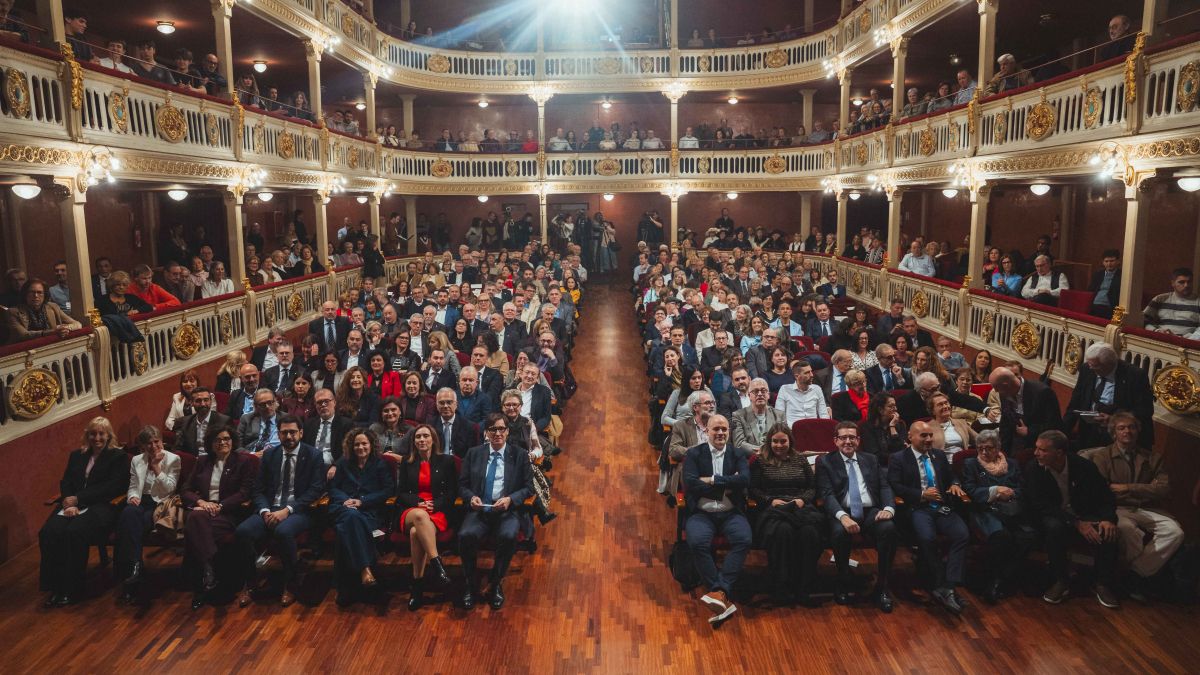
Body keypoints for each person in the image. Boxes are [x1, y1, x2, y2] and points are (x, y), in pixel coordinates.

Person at [1082, 413, 1182, 601]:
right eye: (1121, 428)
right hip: (1117, 508)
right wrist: (1147, 488)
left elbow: (1164, 489)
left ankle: (1134, 574)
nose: (1127, 431)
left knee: (1174, 532)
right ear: (1114, 433)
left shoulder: (1152, 458)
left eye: (1131, 427)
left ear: (1138, 431)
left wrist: (1128, 487)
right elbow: (1103, 490)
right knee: (1128, 531)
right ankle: (1134, 581)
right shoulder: (1102, 457)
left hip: (1146, 508)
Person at [234, 414, 325, 607]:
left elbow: (315, 490)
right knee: (243, 531)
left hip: (300, 510)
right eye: (284, 433)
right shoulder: (270, 455)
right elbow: (258, 489)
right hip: (270, 508)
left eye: (293, 432)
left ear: (301, 433)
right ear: (279, 434)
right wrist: (264, 510)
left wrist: (288, 510)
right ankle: (250, 582)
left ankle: (290, 583)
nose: (289, 436)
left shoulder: (313, 455)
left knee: (283, 531)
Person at [1025, 430, 1121, 609]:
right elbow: (1041, 505)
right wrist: (1076, 523)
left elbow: (1106, 496)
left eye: (1042, 450)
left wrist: (1108, 519)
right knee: (1055, 528)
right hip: (1052, 515)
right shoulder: (1034, 469)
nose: (1036, 453)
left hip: (1082, 512)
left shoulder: (1084, 466)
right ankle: (1061, 580)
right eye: (1036, 448)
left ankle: (1102, 583)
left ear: (1059, 453)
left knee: (1108, 531)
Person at [40, 417, 127, 607]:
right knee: (49, 532)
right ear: (87, 435)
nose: (97, 438)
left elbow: (113, 487)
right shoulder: (77, 455)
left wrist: (80, 499)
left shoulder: (117, 457)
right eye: (92, 433)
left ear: (108, 435)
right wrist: (69, 502)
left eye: (101, 434)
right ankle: (55, 587)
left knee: (74, 532)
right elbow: (66, 481)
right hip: (72, 505)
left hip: (102, 506)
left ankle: (72, 588)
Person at [888, 420, 971, 615]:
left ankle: (948, 586)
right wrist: (921, 495)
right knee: (927, 538)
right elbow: (895, 485)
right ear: (910, 437)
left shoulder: (939, 455)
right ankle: (941, 584)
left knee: (962, 535)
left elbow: (951, 476)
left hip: (941, 506)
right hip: (918, 508)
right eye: (923, 436)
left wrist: (956, 484)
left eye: (930, 435)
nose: (928, 439)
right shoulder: (899, 458)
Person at [816, 421, 898, 612]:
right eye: (843, 437)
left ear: (859, 440)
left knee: (889, 528)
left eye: (852, 437)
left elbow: (884, 486)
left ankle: (882, 586)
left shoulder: (870, 459)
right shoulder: (826, 461)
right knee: (839, 533)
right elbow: (826, 494)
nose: (848, 441)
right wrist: (843, 517)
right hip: (842, 512)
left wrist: (888, 508)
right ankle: (843, 581)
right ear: (835, 441)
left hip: (870, 511)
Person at [458, 413, 532, 610]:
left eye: (501, 429)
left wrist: (510, 499)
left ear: (507, 432)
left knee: (508, 536)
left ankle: (496, 581)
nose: (497, 433)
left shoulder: (519, 455)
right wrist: (470, 497)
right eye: (493, 430)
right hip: (480, 510)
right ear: (486, 433)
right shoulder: (474, 453)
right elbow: (462, 485)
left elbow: (528, 488)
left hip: (506, 510)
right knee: (465, 535)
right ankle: (470, 582)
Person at [682, 414, 751, 625]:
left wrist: (712, 481)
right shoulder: (694, 454)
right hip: (702, 513)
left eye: (724, 429)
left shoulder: (738, 453)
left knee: (744, 540)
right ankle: (720, 590)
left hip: (730, 513)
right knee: (697, 542)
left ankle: (718, 591)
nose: (720, 433)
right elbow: (691, 483)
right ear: (707, 432)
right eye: (716, 429)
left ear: (729, 432)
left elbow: (745, 479)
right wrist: (727, 486)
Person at [181, 425, 255, 609]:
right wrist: (201, 503)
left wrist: (221, 506)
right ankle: (210, 567)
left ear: (233, 441)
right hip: (205, 510)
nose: (222, 443)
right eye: (217, 440)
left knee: (194, 528)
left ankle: (202, 581)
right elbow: (186, 490)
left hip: (228, 513)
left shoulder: (243, 461)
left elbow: (244, 493)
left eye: (226, 439)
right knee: (196, 519)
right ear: (210, 443)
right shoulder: (203, 461)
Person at [750, 423, 824, 605]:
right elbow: (753, 489)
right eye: (775, 441)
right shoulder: (761, 461)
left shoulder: (799, 459)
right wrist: (770, 500)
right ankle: (781, 587)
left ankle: (804, 587)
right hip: (773, 508)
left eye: (783, 441)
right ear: (769, 442)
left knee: (810, 533)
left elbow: (811, 487)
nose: (779, 445)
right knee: (783, 532)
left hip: (799, 506)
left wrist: (802, 500)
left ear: (790, 442)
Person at [961, 429, 1031, 603]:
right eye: (980, 448)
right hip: (985, 511)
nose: (984, 452)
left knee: (1027, 537)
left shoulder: (1012, 464)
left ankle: (1006, 578)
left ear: (998, 447)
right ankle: (992, 582)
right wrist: (994, 491)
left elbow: (1024, 489)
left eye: (989, 448)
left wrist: (1011, 492)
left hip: (1012, 510)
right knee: (1001, 537)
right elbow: (970, 490)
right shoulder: (971, 464)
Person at [328, 428, 395, 604]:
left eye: (364, 443)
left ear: (371, 445)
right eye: (356, 444)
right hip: (343, 508)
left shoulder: (380, 464)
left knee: (346, 530)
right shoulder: (343, 463)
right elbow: (334, 488)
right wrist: (347, 500)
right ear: (351, 446)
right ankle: (366, 570)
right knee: (351, 518)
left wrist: (362, 501)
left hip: (368, 511)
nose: (360, 447)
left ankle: (343, 589)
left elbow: (388, 489)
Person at [116, 426, 181, 602]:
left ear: (162, 441)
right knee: (129, 514)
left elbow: (169, 488)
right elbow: (133, 485)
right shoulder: (137, 460)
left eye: (156, 442)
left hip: (160, 503)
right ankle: (135, 567)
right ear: (143, 446)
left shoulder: (173, 459)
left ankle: (132, 573)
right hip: (141, 501)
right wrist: (133, 497)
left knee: (130, 527)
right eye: (148, 444)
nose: (153, 447)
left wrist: (156, 467)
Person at [396, 423, 456, 610]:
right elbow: (401, 493)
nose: (422, 440)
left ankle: (417, 586)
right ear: (413, 441)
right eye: (418, 437)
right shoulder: (407, 462)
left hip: (437, 510)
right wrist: (417, 503)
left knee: (416, 534)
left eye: (425, 436)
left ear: (433, 440)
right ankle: (437, 564)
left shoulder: (446, 461)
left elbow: (452, 492)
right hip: (412, 511)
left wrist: (436, 504)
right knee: (420, 518)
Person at [1064, 342, 1154, 450]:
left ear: (1110, 364)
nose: (1090, 368)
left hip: (1119, 435)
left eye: (1095, 366)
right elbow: (1075, 401)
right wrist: (1062, 432)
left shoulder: (1135, 375)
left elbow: (1145, 410)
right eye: (1089, 364)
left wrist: (1114, 420)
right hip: (1089, 431)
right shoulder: (1087, 369)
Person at [988, 366, 1062, 457]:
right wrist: (1003, 452)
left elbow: (1055, 425)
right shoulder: (1004, 392)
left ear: (1006, 384)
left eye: (996, 387)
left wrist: (1029, 431)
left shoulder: (1042, 392)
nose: (995, 391)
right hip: (1014, 447)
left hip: (1038, 449)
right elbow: (1005, 423)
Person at [5, 277, 81, 343]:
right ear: (25, 294)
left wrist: (65, 329)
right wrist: (52, 332)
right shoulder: (13, 312)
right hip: (23, 352)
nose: (36, 296)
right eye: (32, 292)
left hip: (51, 348)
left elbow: (77, 324)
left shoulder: (52, 307)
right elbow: (24, 335)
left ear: (45, 295)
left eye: (39, 292)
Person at [731, 378, 786, 449]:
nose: (760, 394)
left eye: (763, 391)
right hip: (751, 458)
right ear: (749, 395)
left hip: (775, 456)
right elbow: (739, 443)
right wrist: (762, 451)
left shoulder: (779, 415)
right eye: (756, 391)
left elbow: (785, 440)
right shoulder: (738, 416)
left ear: (768, 395)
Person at [1143, 268, 1200, 336]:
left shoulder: (1198, 301)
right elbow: (1143, 320)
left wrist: (1189, 337)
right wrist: (1156, 331)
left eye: (1189, 282)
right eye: (1181, 282)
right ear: (1173, 283)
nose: (1186, 285)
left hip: (1188, 342)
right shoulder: (1160, 299)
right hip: (1162, 338)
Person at [775, 360, 829, 426]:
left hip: (813, 429)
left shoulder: (817, 389)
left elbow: (824, 414)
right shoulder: (784, 389)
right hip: (792, 430)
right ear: (797, 376)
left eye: (811, 371)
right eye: (807, 373)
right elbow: (779, 416)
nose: (811, 375)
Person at [927, 392, 976, 456]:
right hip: (940, 463)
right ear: (932, 411)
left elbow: (979, 439)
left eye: (946, 403)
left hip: (962, 461)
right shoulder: (927, 428)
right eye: (940, 404)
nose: (945, 406)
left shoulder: (961, 423)